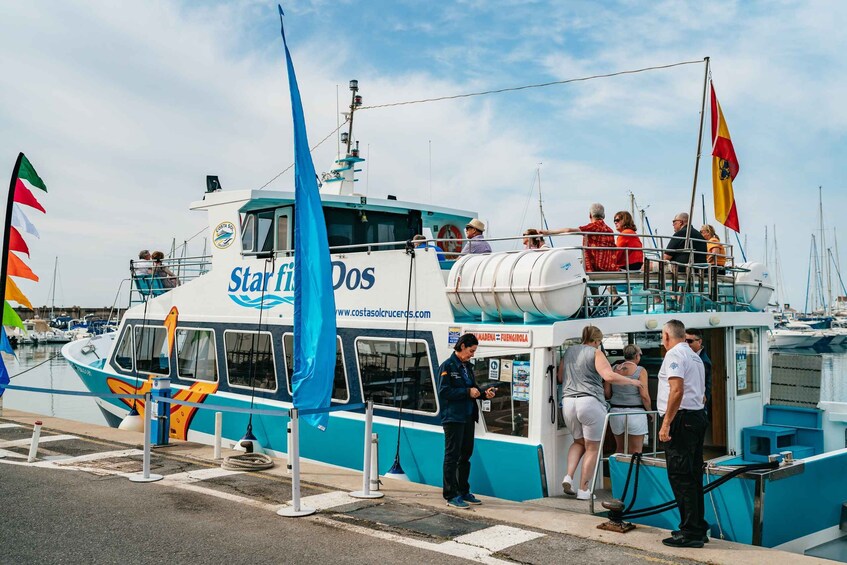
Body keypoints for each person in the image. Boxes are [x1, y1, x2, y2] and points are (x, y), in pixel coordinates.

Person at [558, 325, 644, 500]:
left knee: (578, 442)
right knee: (592, 447)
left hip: (568, 402)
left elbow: (560, 377)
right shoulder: (596, 353)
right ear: (597, 341)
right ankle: (583, 490)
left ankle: (568, 476)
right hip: (589, 402)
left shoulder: (568, 352)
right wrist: (631, 382)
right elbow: (609, 376)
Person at [657, 320, 708, 548]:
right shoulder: (694, 356)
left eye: (661, 336)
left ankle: (690, 533)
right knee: (693, 476)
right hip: (696, 417)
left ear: (667, 335)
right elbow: (701, 393)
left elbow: (677, 389)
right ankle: (696, 527)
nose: (661, 340)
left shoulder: (674, 355)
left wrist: (666, 423)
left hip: (682, 419)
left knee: (680, 476)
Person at [437, 333, 496, 509]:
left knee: (465, 456)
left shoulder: (467, 367)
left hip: (468, 417)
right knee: (452, 456)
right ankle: (450, 494)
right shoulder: (447, 366)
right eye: (471, 350)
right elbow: (443, 392)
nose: (472, 354)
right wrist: (467, 392)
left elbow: (473, 388)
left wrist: (485, 393)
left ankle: (463, 490)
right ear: (462, 346)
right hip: (453, 418)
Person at [542, 203, 617, 272]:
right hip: (609, 266)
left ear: (590, 215)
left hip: (595, 267)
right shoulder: (610, 230)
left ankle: (593, 286)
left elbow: (568, 230)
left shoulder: (591, 227)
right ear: (603, 216)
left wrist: (548, 232)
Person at [605, 344, 651, 454]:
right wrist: (650, 412)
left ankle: (620, 472)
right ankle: (634, 471)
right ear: (636, 356)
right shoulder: (640, 370)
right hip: (635, 413)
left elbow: (607, 392)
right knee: (635, 451)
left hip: (615, 412)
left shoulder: (613, 369)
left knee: (619, 449)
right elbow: (644, 396)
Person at [685, 328, 712, 419]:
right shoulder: (689, 356)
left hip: (698, 406)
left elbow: (703, 383)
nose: (687, 344)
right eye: (684, 341)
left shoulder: (704, 361)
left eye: (690, 341)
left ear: (699, 342)